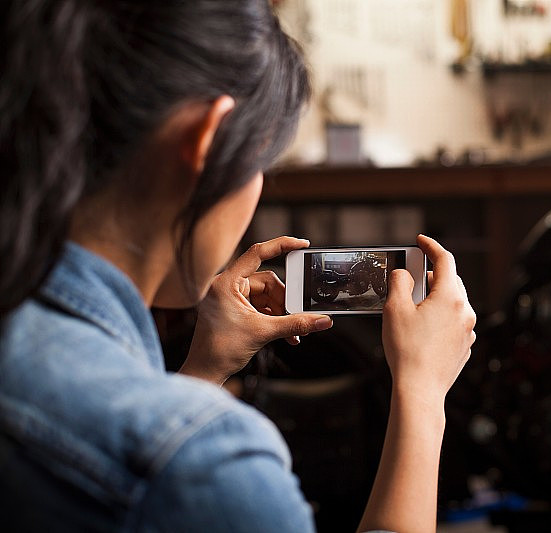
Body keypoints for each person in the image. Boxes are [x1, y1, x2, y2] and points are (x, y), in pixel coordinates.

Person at [0, 1, 476, 532]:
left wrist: (203, 369)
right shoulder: (206, 460)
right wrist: (422, 391)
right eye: (260, 164)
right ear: (203, 139)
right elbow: (160, 466)